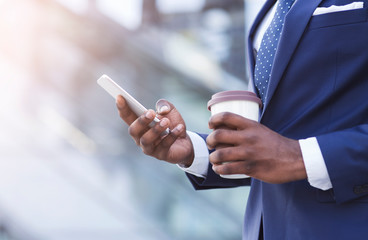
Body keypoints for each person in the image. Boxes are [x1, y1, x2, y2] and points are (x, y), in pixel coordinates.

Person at [116, 0, 368, 239]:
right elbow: (274, 139)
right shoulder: (271, 10)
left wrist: (298, 157)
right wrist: (194, 151)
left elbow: (287, 152)